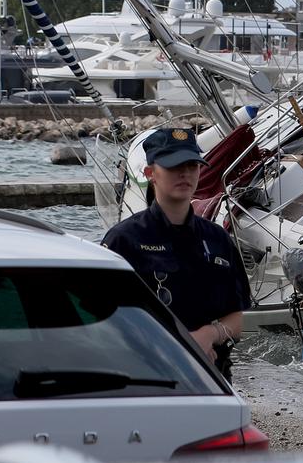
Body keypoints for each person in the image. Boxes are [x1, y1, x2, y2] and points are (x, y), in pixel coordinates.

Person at [101, 127, 250, 378]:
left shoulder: (217, 238)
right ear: (150, 174)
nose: (184, 173)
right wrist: (182, 345)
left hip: (211, 376)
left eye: (192, 165)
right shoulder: (124, 240)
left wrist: (208, 335)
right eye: (173, 166)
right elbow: (108, 319)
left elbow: (236, 318)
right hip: (147, 377)